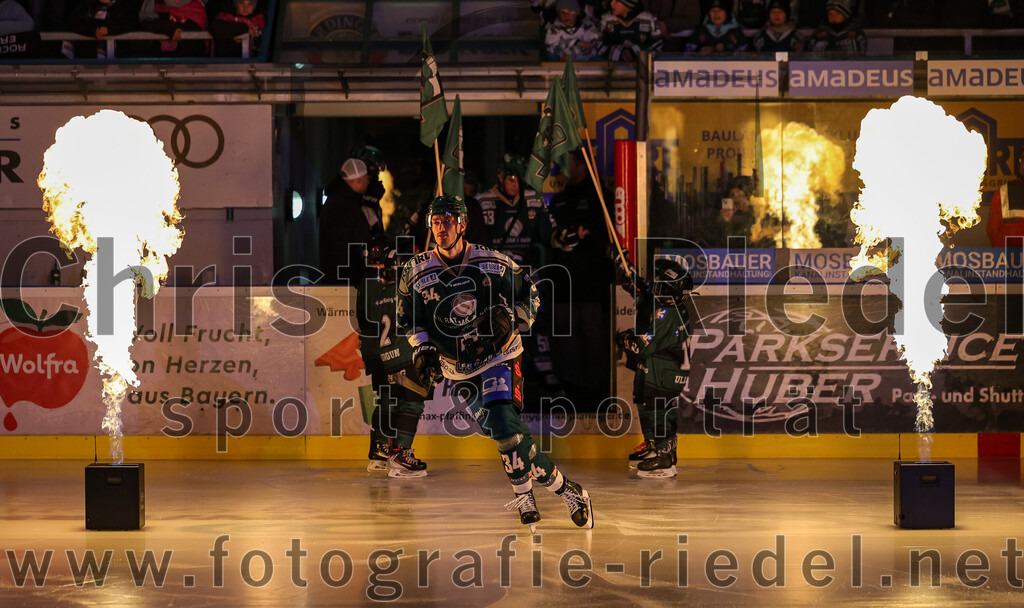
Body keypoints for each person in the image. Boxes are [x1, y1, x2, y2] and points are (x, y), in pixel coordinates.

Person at [396, 195, 594, 530]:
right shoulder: (415, 271)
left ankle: (524, 495)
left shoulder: (492, 262)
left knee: (503, 422)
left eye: (447, 221)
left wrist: (515, 319)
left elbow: (530, 294)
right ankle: (567, 489)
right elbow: (409, 320)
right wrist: (423, 349)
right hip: (456, 367)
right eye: (435, 221)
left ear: (462, 224)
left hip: (499, 354)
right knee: (503, 435)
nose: (441, 228)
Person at [476, 153, 580, 404]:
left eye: (520, 178)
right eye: (511, 178)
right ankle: (493, 379)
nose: (516, 184)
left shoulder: (533, 200)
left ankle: (547, 376)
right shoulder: (483, 202)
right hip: (493, 275)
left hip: (525, 273)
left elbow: (550, 233)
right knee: (494, 325)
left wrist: (563, 238)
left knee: (536, 321)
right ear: (501, 177)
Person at [615, 254, 694, 478]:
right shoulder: (669, 305)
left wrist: (625, 340)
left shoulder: (666, 313)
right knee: (649, 404)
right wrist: (625, 269)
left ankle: (664, 457)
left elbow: (642, 346)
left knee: (657, 408)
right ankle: (656, 448)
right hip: (662, 368)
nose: (655, 287)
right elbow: (642, 294)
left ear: (670, 290)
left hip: (664, 370)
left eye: (660, 284)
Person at [358, 237, 431, 478]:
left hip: (379, 353)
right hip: (399, 352)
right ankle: (400, 454)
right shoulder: (394, 284)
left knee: (389, 401)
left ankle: (381, 452)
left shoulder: (368, 284)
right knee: (409, 401)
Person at [547, 150, 613, 408]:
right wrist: (558, 239)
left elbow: (612, 240)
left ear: (581, 165)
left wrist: (588, 235)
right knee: (565, 350)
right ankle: (570, 396)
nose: (562, 170)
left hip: (593, 291)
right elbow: (548, 238)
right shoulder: (558, 201)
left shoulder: (601, 198)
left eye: (567, 163)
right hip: (563, 290)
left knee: (595, 350)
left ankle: (595, 400)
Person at [319, 157, 383, 286]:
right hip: (343, 283)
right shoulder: (341, 206)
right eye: (367, 180)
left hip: (344, 279)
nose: (368, 183)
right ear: (359, 180)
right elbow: (342, 247)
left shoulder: (347, 202)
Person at [67, 0, 141, 58]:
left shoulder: (124, 5)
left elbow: (130, 25)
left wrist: (109, 30)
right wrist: (94, 30)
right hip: (88, 61)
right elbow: (74, 24)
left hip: (119, 61)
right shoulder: (85, 5)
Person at [598, 0, 665, 62]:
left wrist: (634, 52)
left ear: (629, 4)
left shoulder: (648, 19)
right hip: (613, 67)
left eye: (617, 2)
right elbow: (598, 43)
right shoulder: (606, 20)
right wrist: (619, 53)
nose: (611, 4)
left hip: (642, 66)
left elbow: (657, 44)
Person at [987, 149, 1024, 247]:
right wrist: (1002, 255)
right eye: (1023, 160)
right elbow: (992, 230)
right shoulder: (1004, 192)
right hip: (1010, 259)